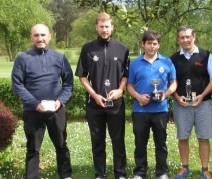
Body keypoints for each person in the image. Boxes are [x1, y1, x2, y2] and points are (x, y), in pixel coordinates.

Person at [11, 24, 73, 179]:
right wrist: (34, 104)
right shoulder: (22, 58)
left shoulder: (60, 58)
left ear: (49, 36)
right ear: (31, 37)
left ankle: (65, 175)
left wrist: (61, 101)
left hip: (56, 110)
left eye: (43, 35)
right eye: (36, 35)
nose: (40, 39)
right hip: (33, 111)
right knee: (33, 148)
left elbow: (68, 83)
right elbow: (17, 84)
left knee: (61, 144)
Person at [75, 12, 129, 179]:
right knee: (97, 141)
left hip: (116, 103)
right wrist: (94, 94)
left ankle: (120, 173)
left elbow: (126, 75)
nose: (104, 30)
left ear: (112, 27)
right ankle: (100, 174)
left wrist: (120, 90)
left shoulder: (122, 48)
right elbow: (82, 76)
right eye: (101, 27)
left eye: (107, 26)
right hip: (94, 104)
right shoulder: (87, 48)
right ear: (96, 27)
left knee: (118, 140)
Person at [170, 25, 212, 179]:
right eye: (182, 37)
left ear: (194, 37)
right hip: (182, 104)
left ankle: (205, 169)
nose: (185, 40)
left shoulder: (205, 55)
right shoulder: (174, 59)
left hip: (203, 103)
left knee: (203, 137)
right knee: (183, 137)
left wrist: (203, 94)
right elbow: (170, 81)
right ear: (178, 39)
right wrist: (177, 98)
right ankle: (184, 168)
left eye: (188, 37)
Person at [127, 30, 177, 179]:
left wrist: (165, 94)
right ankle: (140, 172)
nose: (152, 46)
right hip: (140, 110)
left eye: (155, 43)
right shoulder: (135, 63)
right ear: (143, 44)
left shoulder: (167, 62)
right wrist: (138, 96)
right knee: (140, 143)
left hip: (160, 110)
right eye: (149, 43)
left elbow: (173, 83)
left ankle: (162, 172)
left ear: (159, 45)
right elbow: (129, 86)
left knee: (161, 143)